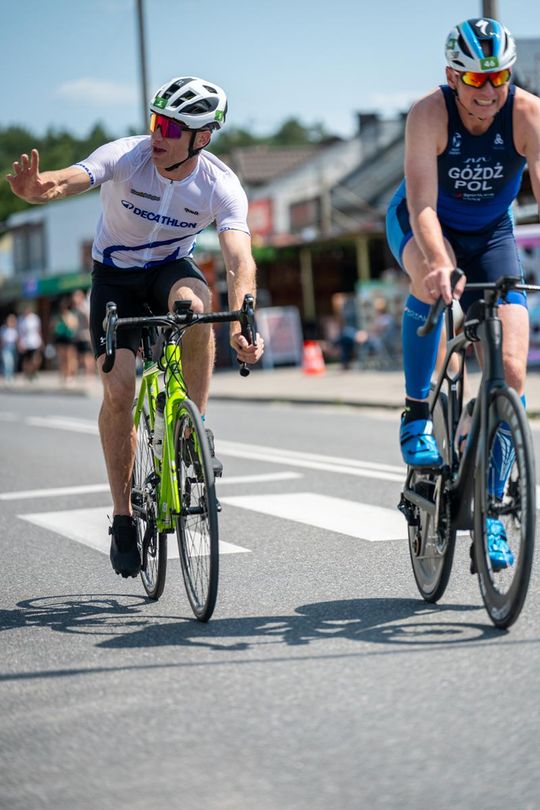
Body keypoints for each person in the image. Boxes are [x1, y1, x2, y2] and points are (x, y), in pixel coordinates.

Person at [7, 76, 264, 578]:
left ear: (201, 137)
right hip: (115, 278)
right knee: (120, 391)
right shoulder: (128, 156)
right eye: (154, 121)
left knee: (196, 308)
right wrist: (39, 189)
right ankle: (123, 517)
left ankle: (193, 428)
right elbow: (71, 179)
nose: (156, 134)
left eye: (170, 127)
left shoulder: (220, 184)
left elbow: (239, 261)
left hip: (170, 269)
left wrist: (244, 321)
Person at [386, 18, 540, 571]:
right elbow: (423, 206)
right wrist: (439, 263)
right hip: (425, 223)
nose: (489, 91)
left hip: (492, 234)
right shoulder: (429, 114)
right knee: (430, 282)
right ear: (453, 76)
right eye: (476, 79)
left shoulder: (527, 113)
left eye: (499, 77)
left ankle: (491, 512)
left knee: (512, 374)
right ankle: (416, 413)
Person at [52, 296, 79, 384]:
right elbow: (53, 327)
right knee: (62, 358)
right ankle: (64, 375)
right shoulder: (57, 317)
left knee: (70, 358)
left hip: (69, 339)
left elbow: (73, 326)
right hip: (60, 339)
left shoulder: (71, 315)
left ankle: (70, 375)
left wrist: (66, 320)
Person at [72, 289, 95, 376]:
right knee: (80, 355)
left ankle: (89, 373)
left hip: (85, 335)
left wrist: (90, 333)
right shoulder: (76, 308)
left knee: (87, 355)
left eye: (76, 296)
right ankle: (86, 372)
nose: (74, 298)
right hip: (79, 335)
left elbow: (89, 320)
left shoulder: (84, 306)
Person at [16, 305, 43, 380]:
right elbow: (19, 333)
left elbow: (39, 330)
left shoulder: (35, 318)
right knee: (26, 360)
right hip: (25, 343)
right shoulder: (20, 319)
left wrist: (41, 340)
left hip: (34, 342)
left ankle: (33, 371)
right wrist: (19, 343)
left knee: (36, 359)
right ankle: (27, 373)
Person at [0, 313, 18, 382]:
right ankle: (7, 376)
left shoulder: (15, 329)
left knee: (13, 363)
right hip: (6, 348)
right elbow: (1, 340)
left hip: (13, 347)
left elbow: (17, 340)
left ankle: (11, 375)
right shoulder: (3, 329)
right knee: (8, 362)